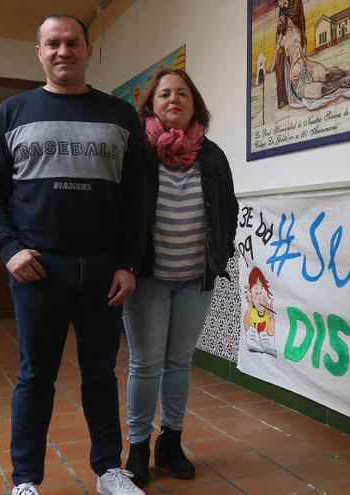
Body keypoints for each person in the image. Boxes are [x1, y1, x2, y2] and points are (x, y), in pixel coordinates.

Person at [0, 13, 145, 495]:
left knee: (100, 373)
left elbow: (137, 197)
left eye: (72, 42)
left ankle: (109, 470)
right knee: (35, 378)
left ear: (88, 51)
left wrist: (128, 263)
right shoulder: (11, 112)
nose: (63, 51)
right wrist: (7, 250)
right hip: (37, 270)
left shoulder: (120, 115)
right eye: (53, 44)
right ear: (39, 53)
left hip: (103, 271)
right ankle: (25, 480)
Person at [122, 67, 239, 487]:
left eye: (182, 93)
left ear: (195, 103)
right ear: (151, 105)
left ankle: (171, 442)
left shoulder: (212, 155)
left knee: (179, 362)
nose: (174, 99)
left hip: (195, 279)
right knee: (146, 363)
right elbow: (120, 211)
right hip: (148, 279)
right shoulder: (136, 153)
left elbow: (229, 207)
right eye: (164, 94)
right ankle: (137, 444)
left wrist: (219, 255)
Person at [272, 0, 350, 109]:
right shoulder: (282, 40)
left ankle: (345, 72)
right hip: (298, 80)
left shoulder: (297, 30)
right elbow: (275, 61)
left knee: (326, 74)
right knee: (320, 90)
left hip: (307, 66)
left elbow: (302, 38)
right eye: (285, 21)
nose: (288, 22)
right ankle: (341, 83)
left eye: (288, 20)